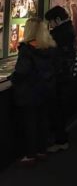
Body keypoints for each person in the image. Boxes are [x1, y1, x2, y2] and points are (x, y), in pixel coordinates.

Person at [10, 18, 56, 166]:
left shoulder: (27, 50)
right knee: (42, 121)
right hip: (45, 90)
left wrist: (13, 78)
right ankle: (42, 151)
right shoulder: (49, 48)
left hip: (29, 92)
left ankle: (30, 155)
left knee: (30, 123)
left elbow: (22, 71)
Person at [45, 5, 76, 153]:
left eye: (50, 22)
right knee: (60, 110)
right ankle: (61, 138)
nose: (50, 25)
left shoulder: (59, 34)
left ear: (57, 20)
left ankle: (60, 140)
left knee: (57, 110)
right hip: (64, 76)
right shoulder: (68, 30)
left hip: (58, 77)